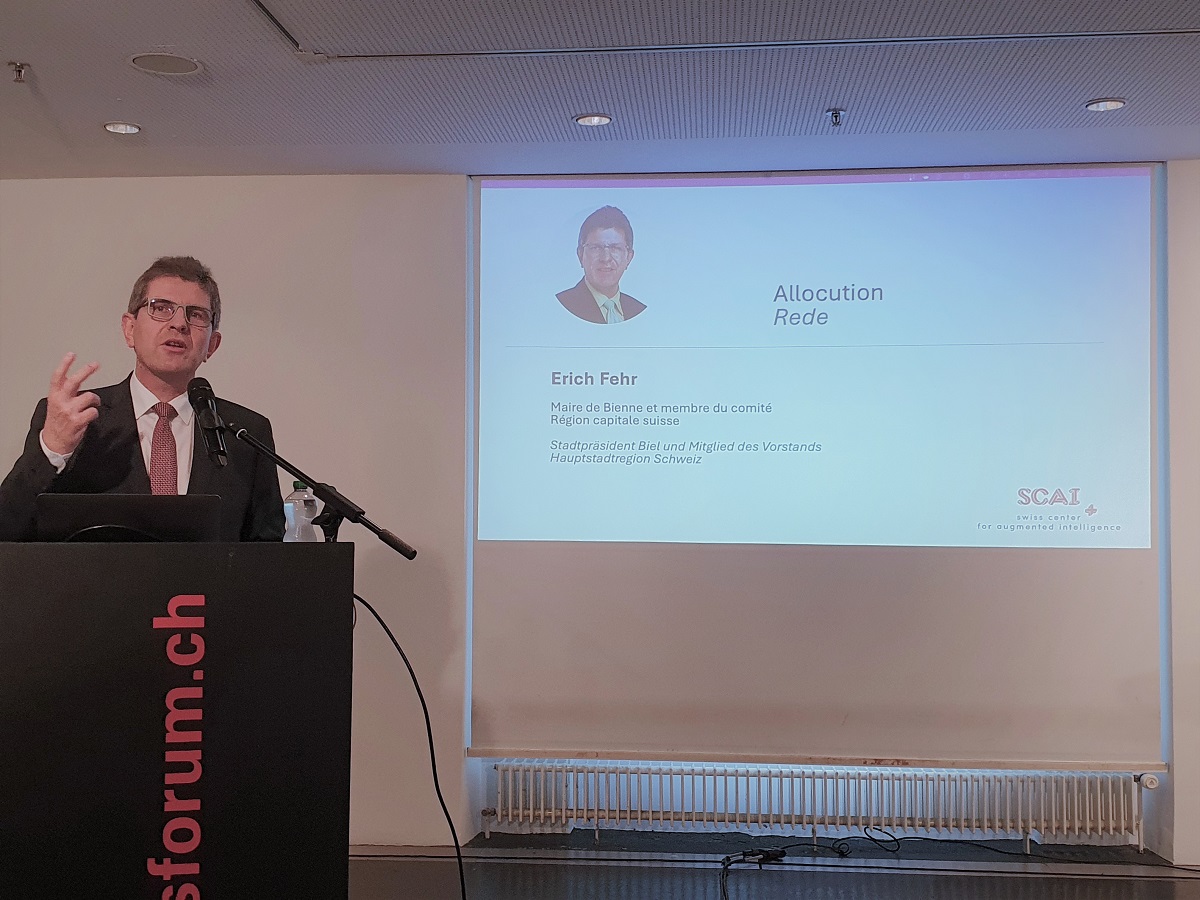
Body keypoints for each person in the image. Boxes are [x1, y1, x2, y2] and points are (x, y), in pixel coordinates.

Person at [0, 256, 285, 542]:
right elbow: (8, 529)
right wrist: (52, 451)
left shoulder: (246, 434)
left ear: (212, 344)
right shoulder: (77, 417)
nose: (179, 324)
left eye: (196, 315)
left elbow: (268, 552)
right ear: (129, 329)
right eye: (161, 308)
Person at [556, 206, 646, 323]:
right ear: (580, 255)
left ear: (629, 257)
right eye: (596, 247)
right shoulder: (562, 305)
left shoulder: (638, 310)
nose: (606, 258)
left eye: (615, 248)